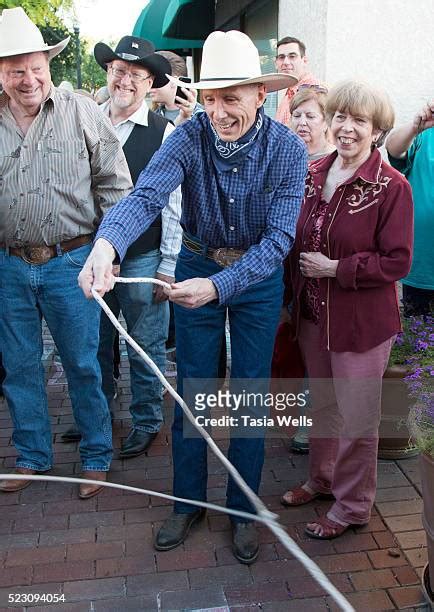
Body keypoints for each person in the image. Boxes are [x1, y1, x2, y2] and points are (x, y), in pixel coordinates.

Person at [78, 30, 307, 564]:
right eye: (210, 98)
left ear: (260, 95)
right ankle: (187, 502)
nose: (219, 111)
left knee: (249, 397)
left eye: (232, 98)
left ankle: (244, 508)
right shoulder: (186, 136)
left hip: (255, 278)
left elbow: (278, 242)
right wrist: (106, 246)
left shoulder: (288, 149)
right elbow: (146, 194)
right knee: (193, 392)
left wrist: (220, 286)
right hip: (196, 262)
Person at [0, 8, 132, 497]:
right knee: (19, 364)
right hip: (8, 264)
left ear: (48, 64)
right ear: (0, 72)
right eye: (16, 69)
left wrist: (110, 249)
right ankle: (32, 455)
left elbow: (117, 185)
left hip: (71, 259)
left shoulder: (82, 111)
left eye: (36, 66)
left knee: (82, 362)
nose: (29, 78)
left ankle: (96, 455)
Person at [280, 80, 413, 539]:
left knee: (358, 419)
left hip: (361, 325)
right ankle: (322, 479)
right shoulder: (314, 172)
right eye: (340, 117)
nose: (347, 128)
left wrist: (337, 268)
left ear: (377, 130)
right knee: (324, 406)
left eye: (359, 121)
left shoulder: (391, 186)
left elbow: (398, 261)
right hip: (315, 318)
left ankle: (354, 505)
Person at [61, 36, 182, 457]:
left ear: (150, 83)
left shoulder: (164, 133)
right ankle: (97, 416)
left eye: (135, 74)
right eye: (118, 71)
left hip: (142, 257)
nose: (125, 80)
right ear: (107, 74)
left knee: (144, 346)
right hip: (84, 258)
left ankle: (147, 420)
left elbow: (173, 205)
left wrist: (167, 265)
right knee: (92, 344)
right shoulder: (84, 120)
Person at [386, 100, 434, 317]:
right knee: (415, 341)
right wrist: (416, 125)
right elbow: (392, 150)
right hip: (422, 264)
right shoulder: (425, 134)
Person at [274, 36, 323, 127]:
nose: (286, 62)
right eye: (281, 57)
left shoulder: (313, 91)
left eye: (292, 56)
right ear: (276, 63)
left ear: (304, 61)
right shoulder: (290, 92)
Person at [149, 50, 201, 126]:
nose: (150, 85)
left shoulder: (204, 117)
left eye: (156, 80)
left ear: (174, 81)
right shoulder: (151, 119)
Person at [290, 86, 335, 160]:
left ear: (327, 122)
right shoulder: (283, 156)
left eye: (310, 116)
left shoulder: (336, 159)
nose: (302, 122)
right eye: (297, 116)